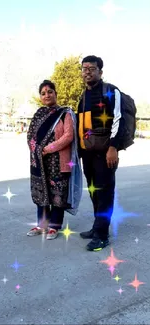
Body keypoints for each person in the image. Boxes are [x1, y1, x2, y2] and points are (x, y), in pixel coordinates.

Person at [77, 55, 123, 251]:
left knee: (105, 193)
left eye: (92, 68)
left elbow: (118, 119)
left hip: (106, 153)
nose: (87, 71)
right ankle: (97, 226)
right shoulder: (83, 96)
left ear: (100, 72)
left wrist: (114, 147)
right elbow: (81, 125)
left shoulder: (111, 91)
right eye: (84, 68)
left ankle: (102, 236)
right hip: (88, 153)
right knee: (94, 191)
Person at [27, 80, 82, 239]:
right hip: (40, 162)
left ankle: (54, 227)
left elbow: (68, 136)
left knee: (57, 195)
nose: (47, 95)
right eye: (43, 93)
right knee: (41, 193)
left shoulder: (65, 113)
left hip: (59, 162)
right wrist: (36, 150)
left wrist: (47, 149)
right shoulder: (38, 114)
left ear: (56, 94)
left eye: (50, 92)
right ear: (40, 97)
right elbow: (30, 136)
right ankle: (41, 224)